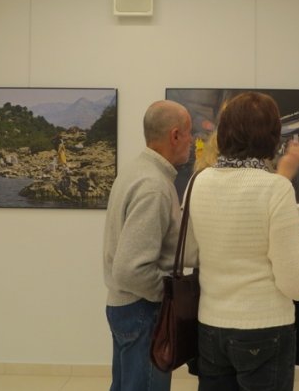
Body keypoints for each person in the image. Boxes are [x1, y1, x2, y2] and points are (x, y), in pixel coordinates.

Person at [188, 92, 299, 391]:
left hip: (210, 326)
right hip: (264, 328)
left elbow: (192, 252)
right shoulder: (276, 189)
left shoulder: (198, 182)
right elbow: (295, 285)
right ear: (273, 137)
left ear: (223, 132)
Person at [103, 99, 195, 391]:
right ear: (175, 135)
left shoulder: (136, 171)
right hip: (143, 311)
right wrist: (169, 298)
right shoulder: (154, 186)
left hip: (126, 308)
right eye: (190, 133)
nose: (193, 141)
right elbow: (131, 270)